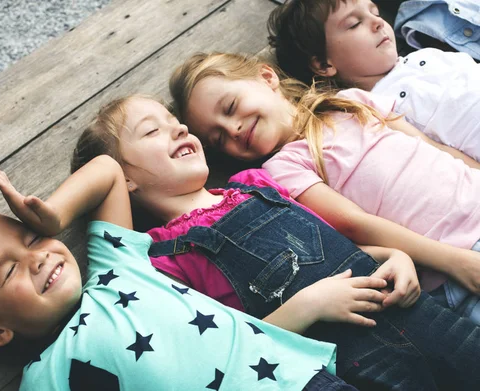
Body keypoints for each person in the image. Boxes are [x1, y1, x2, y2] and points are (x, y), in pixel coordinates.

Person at [69, 94, 480, 390]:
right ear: (123, 179)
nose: (178, 127)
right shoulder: (161, 260)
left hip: (418, 313)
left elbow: (334, 246)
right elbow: (223, 345)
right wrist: (310, 305)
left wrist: (397, 256)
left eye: (173, 119)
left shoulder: (254, 184)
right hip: (354, 363)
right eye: (152, 131)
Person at [0, 155, 356, 390]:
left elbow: (106, 171)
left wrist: (51, 217)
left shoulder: (114, 268)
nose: (38, 258)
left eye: (29, 240)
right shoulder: (43, 378)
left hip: (302, 384)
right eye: (9, 273)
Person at [169, 51, 480, 327]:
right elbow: (354, 224)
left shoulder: (352, 101)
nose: (232, 129)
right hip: (453, 261)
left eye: (231, 107)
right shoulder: (282, 168)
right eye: (218, 139)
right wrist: (454, 260)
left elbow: (432, 146)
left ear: (267, 77)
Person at [266, 0, 480, 161]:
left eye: (374, 12)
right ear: (324, 65)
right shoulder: (374, 113)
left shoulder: (426, 54)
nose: (378, 22)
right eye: (354, 24)